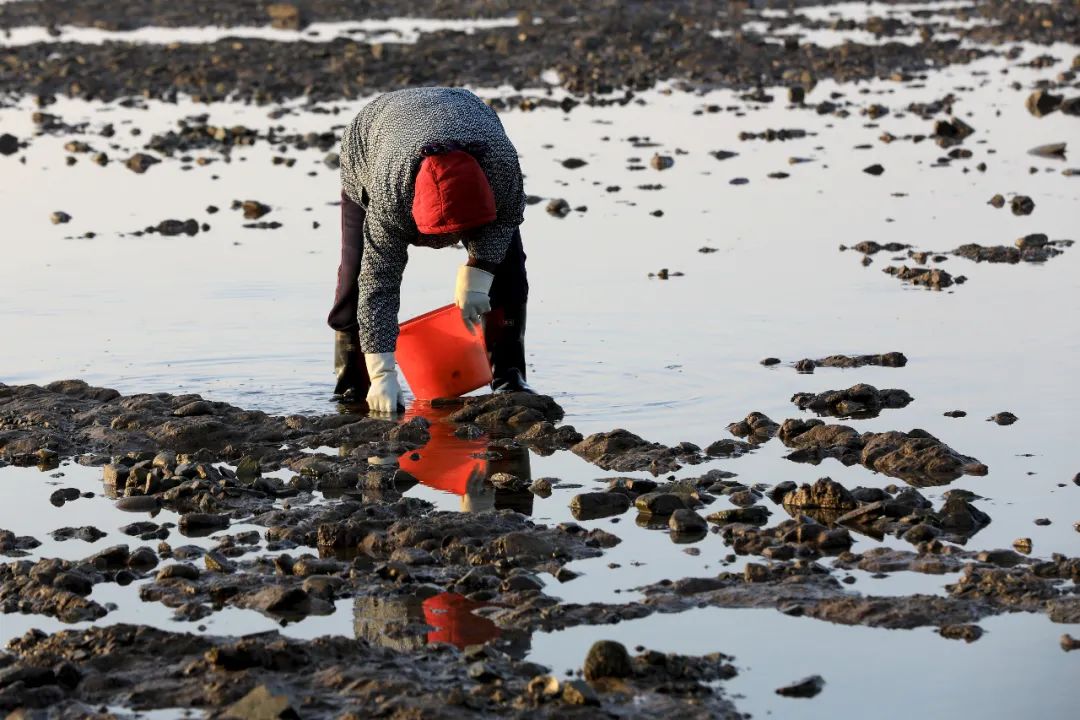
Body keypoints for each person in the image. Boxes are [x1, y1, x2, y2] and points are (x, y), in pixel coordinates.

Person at [327, 87, 534, 412]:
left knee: (508, 270)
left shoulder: (501, 166)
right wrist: (383, 371)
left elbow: (507, 216)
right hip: (371, 141)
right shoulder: (389, 196)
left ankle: (509, 377)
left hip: (463, 111)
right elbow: (378, 284)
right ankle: (352, 384)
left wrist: (480, 268)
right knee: (355, 276)